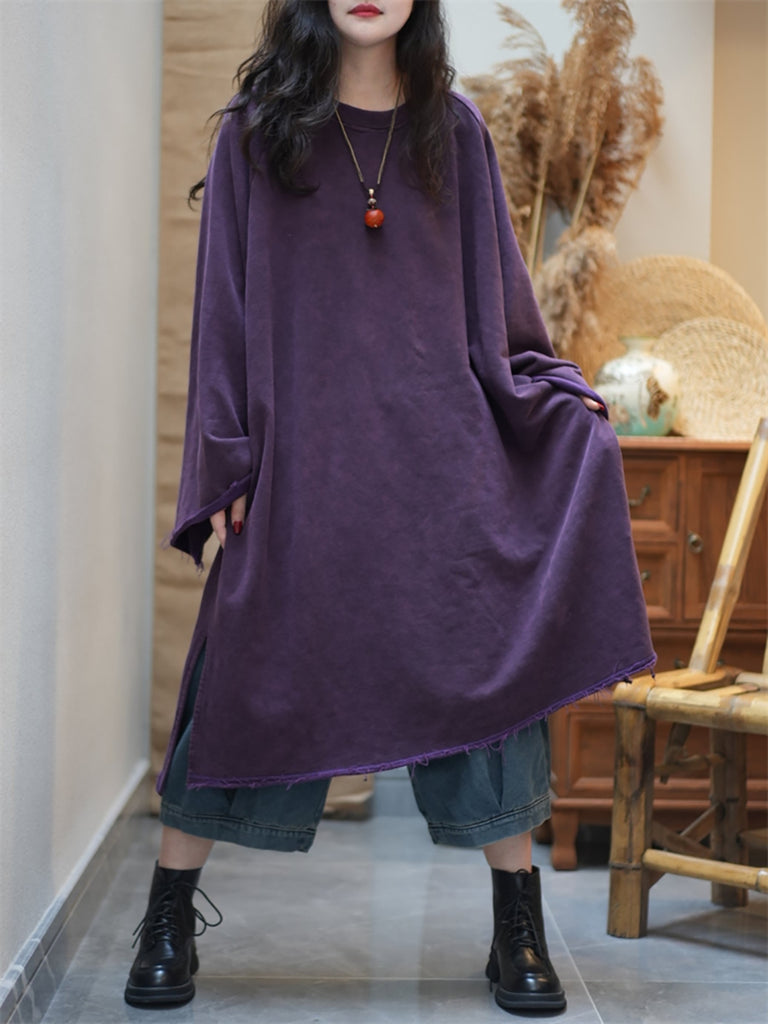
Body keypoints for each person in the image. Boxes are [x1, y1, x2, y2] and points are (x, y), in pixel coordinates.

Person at [126, 0, 654, 1015]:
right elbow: (223, 316)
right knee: (242, 679)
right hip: (303, 472)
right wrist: (226, 468)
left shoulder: (454, 132)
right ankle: (167, 915)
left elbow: (501, 311)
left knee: (486, 679)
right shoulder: (253, 135)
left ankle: (516, 925)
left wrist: (556, 395)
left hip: (444, 469)